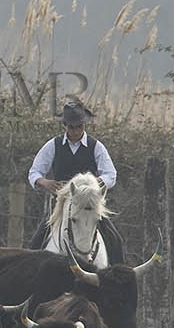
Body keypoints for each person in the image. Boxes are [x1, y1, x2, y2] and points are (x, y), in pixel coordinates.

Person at [25, 98, 123, 264]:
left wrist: (95, 182)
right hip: (61, 205)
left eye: (80, 126)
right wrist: (44, 182)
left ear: (84, 125)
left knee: (116, 241)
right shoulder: (53, 145)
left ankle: (117, 280)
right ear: (65, 126)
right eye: (72, 127)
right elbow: (34, 172)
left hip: (89, 204)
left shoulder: (96, 146)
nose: (76, 130)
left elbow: (110, 174)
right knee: (35, 244)